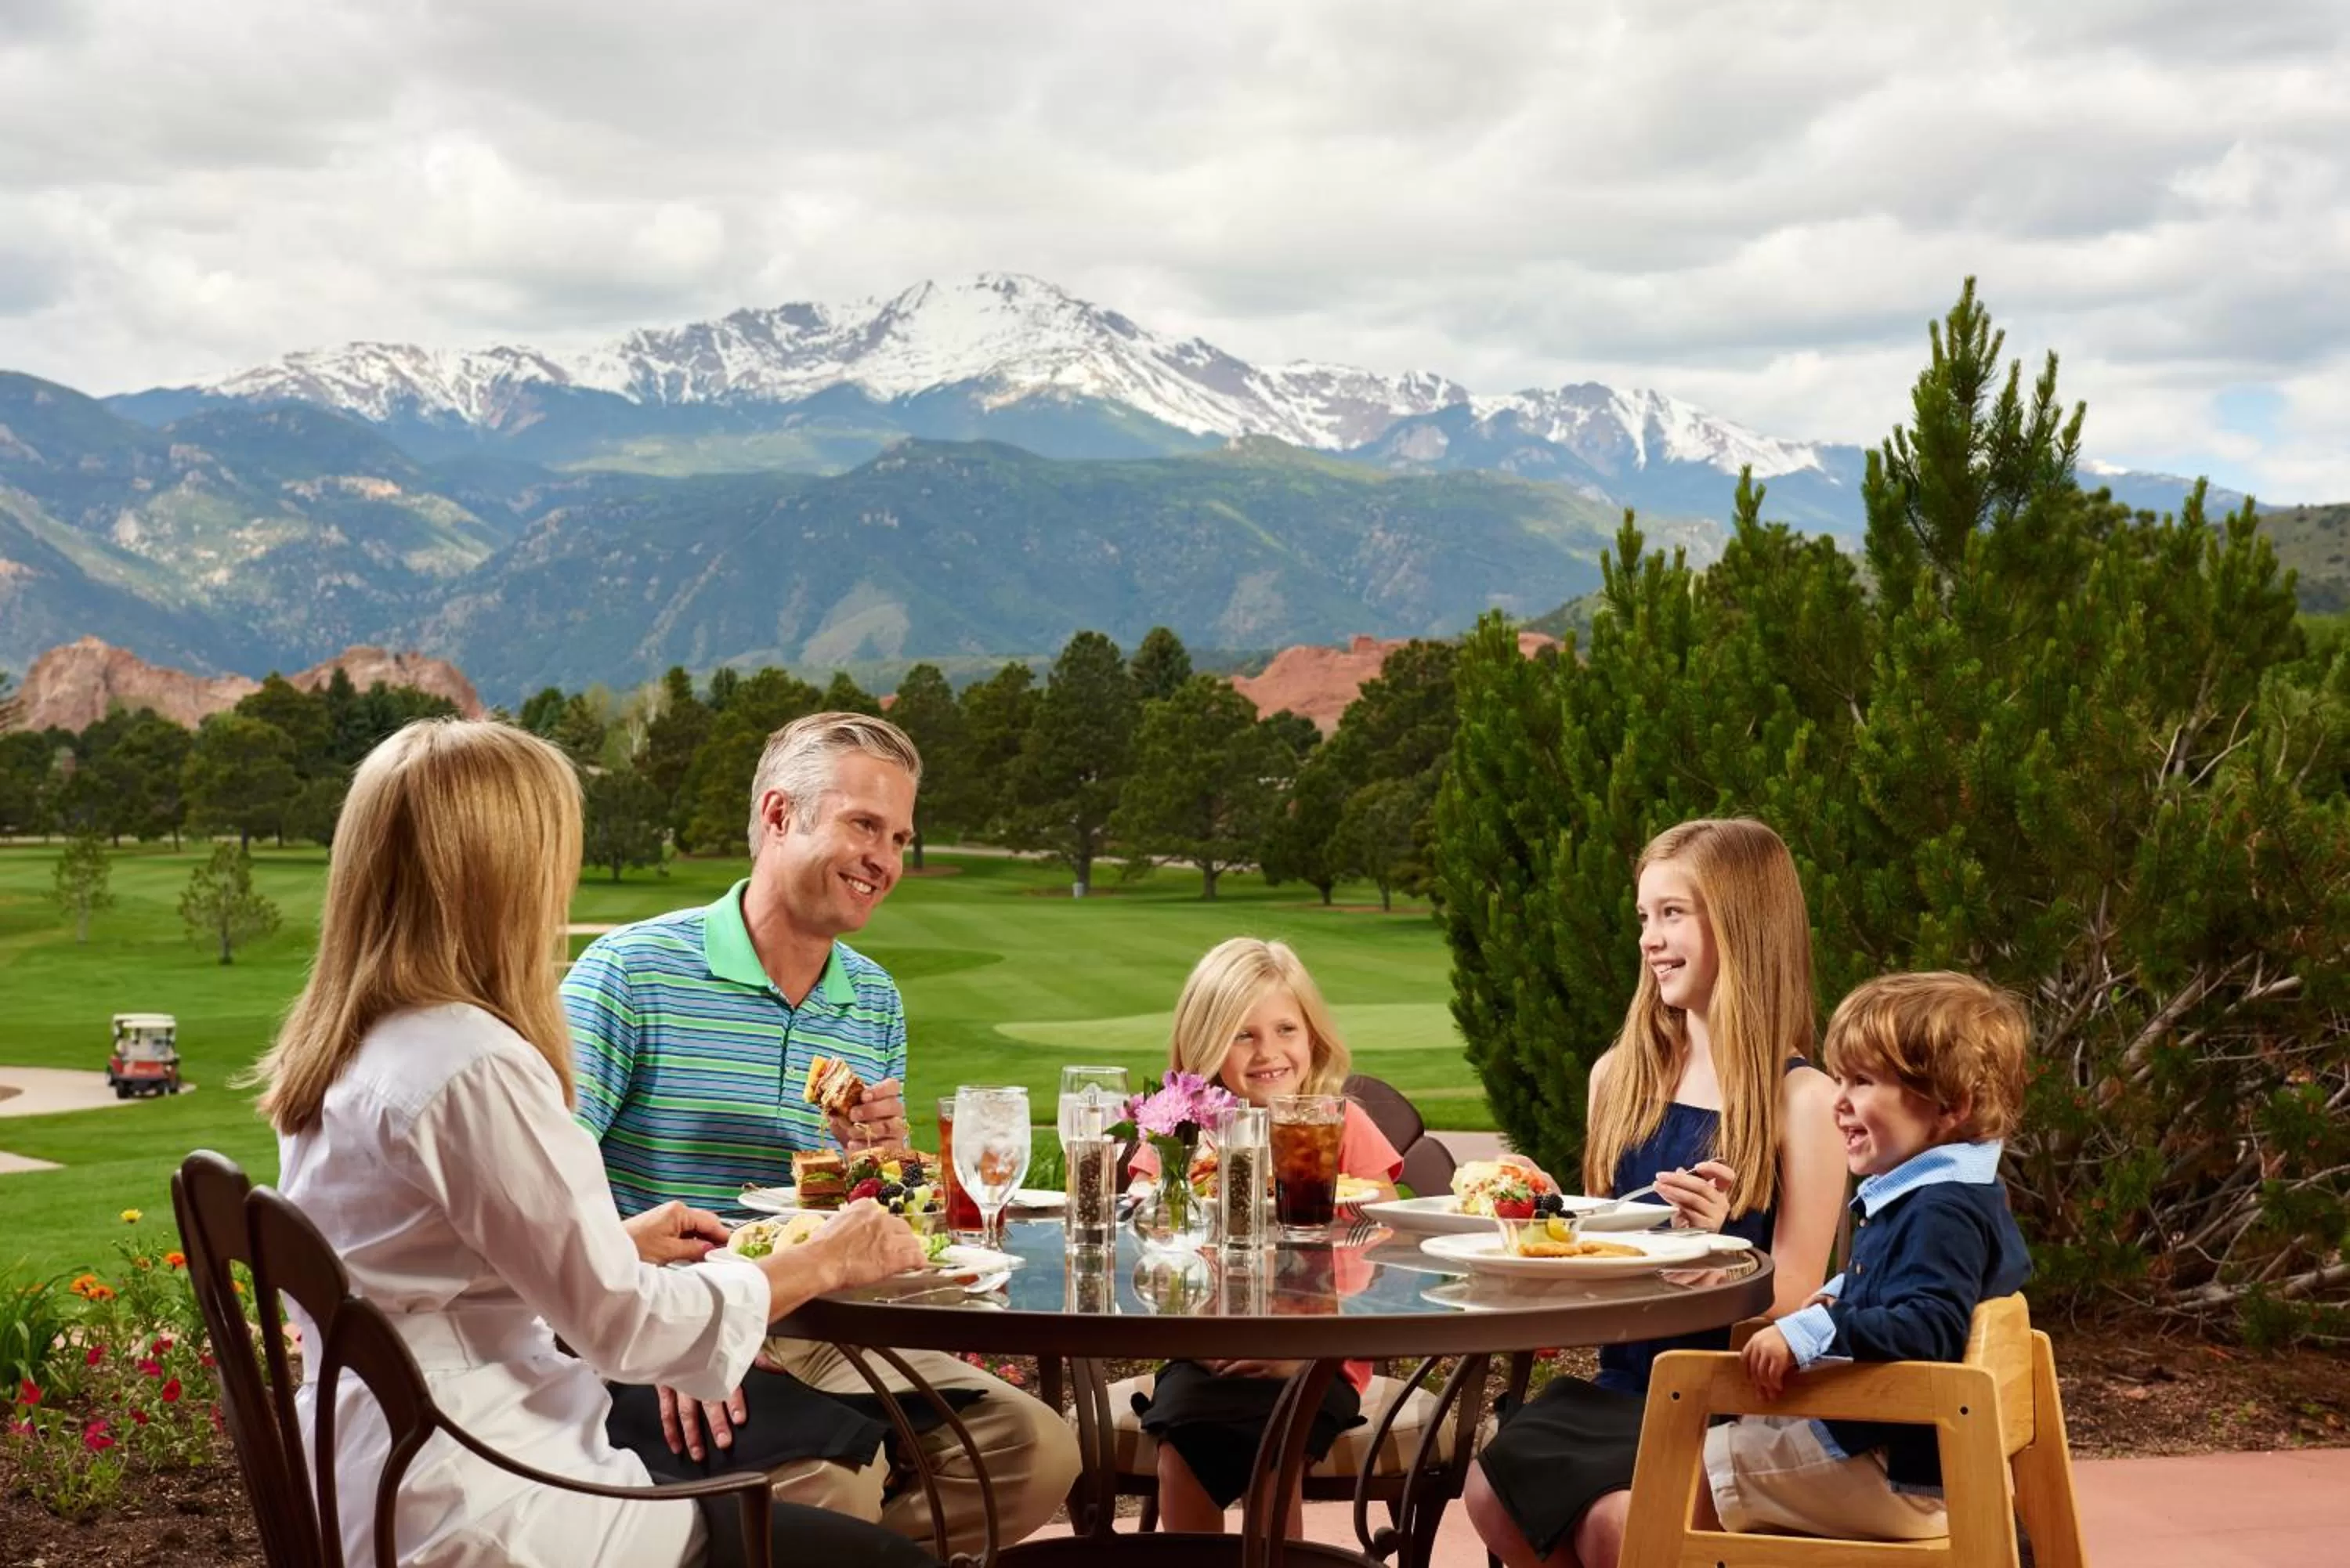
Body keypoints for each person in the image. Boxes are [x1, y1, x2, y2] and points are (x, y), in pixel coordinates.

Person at [255, 719, 933, 1568]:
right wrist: (828, 1259)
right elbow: (624, 1323)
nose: (561, 880)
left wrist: (610, 1242)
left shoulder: (358, 1049)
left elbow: (432, 1264)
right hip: (492, 1494)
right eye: (553, 851)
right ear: (496, 869)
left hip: (387, 1461)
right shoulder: (474, 1066)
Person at [563, 711, 1079, 1557]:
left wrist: (882, 1165)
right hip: (665, 1325)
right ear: (778, 815)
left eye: (901, 836)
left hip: (827, 1329)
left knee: (1035, 1449)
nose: (886, 858)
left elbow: (881, 1223)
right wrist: (661, 1338)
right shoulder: (630, 974)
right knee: (835, 1489)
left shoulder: (872, 998)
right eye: (864, 824)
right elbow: (545, 1194)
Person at [1467, 818, 1848, 1568]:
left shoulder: (1803, 1100)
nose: (1649, 938)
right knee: (1491, 1492)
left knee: (1618, 1526)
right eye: (1645, 917)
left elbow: (1799, 1294)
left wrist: (1726, 1252)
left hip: (1736, 1397)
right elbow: (1592, 1255)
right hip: (1625, 1385)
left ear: (1743, 924)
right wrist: (1541, 1231)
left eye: (1673, 913)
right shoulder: (1618, 1077)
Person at [1712, 970, 2034, 1540]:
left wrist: (1815, 1328)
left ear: (1949, 1106)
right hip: (1910, 1462)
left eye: (1862, 1082)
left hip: (1897, 1473)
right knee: (1744, 1430)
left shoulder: (1942, 1211)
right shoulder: (1944, 1194)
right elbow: (1909, 1282)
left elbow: (1930, 1326)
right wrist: (1841, 1292)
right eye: (1839, 1079)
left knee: (1689, 1461)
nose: (1838, 1102)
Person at [1126, 937, 1404, 1534]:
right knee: (1185, 1446)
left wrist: (1301, 1349)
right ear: (1205, 1043)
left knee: (1277, 1449)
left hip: (1318, 1360)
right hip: (1206, 1356)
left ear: (1313, 1037)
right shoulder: (1179, 1135)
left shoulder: (1338, 1123)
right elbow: (1143, 1250)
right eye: (1242, 1034)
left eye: (1286, 1030)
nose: (1268, 1052)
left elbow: (1389, 1263)